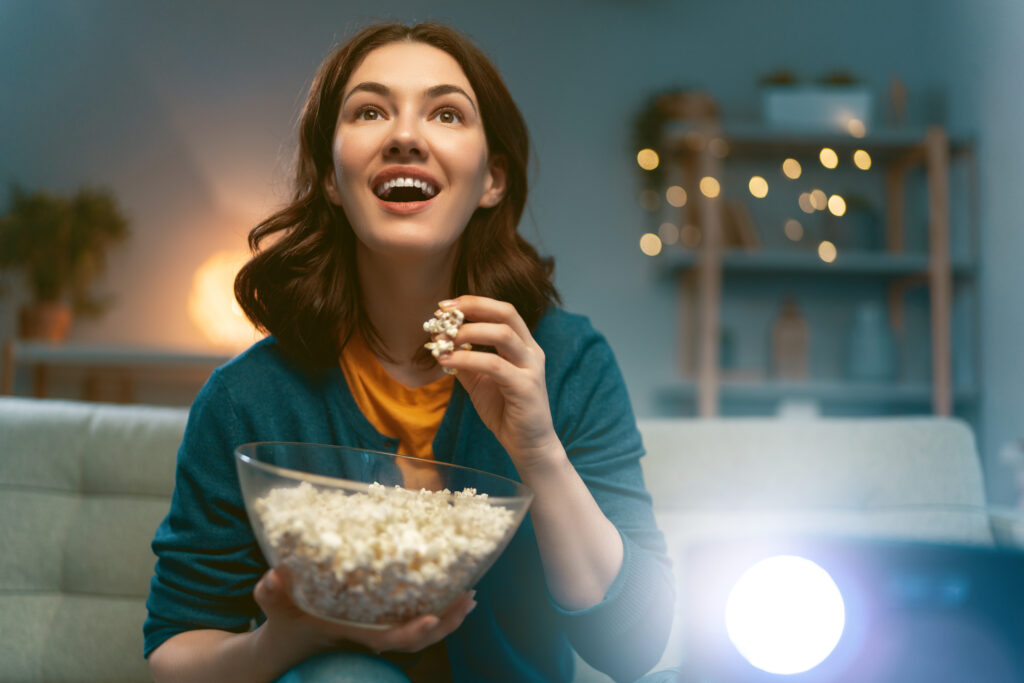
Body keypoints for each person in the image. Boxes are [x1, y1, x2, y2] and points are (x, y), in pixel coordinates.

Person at [144, 21, 674, 683]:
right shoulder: (247, 397)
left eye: (447, 113)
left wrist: (538, 449)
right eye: (369, 111)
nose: (403, 135)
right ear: (332, 178)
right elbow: (173, 654)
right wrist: (292, 638)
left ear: (492, 179)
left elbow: (636, 646)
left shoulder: (565, 361)